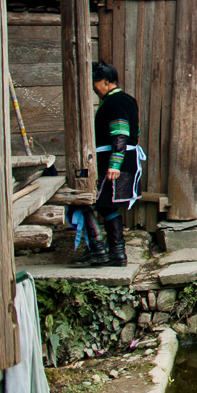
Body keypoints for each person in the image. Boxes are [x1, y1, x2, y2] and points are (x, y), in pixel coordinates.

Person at [70, 62, 144, 267]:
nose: (94, 88)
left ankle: (99, 250)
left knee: (93, 202)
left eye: (95, 83)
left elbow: (121, 133)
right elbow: (136, 133)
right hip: (122, 160)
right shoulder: (127, 100)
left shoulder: (114, 102)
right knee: (106, 205)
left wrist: (115, 164)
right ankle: (116, 253)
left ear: (105, 81)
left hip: (114, 162)